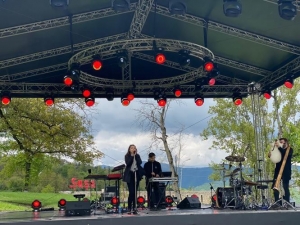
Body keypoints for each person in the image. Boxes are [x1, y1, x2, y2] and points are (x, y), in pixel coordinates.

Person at [268, 138, 293, 204]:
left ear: (285, 143)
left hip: (286, 172)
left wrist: (279, 147)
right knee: (275, 187)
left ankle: (287, 202)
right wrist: (271, 155)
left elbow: (285, 154)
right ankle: (277, 202)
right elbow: (275, 158)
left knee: (285, 187)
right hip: (277, 171)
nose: (281, 144)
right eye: (280, 142)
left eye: (282, 142)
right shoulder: (278, 150)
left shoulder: (289, 149)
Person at [123, 144, 143, 214]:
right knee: (131, 192)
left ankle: (135, 207)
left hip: (136, 174)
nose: (133, 149)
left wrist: (135, 156)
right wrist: (132, 156)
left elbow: (140, 162)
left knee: (135, 192)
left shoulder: (137, 156)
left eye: (134, 148)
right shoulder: (127, 156)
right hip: (130, 175)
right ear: (129, 149)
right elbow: (128, 163)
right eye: (131, 148)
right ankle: (129, 207)